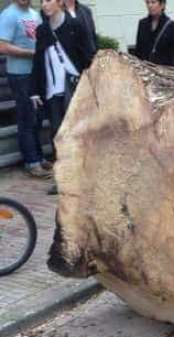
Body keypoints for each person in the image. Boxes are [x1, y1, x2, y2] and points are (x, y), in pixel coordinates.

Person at [30, 0, 94, 194]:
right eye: (42, 2)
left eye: (48, 0)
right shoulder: (42, 30)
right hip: (52, 89)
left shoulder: (75, 25)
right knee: (57, 134)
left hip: (74, 87)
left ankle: (86, 177)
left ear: (59, 3)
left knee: (79, 132)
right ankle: (63, 180)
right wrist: (34, 90)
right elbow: (39, 59)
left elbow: (88, 55)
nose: (44, 5)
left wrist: (91, 84)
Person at [0, 0, 50, 178]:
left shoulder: (34, 14)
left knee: (36, 118)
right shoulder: (8, 15)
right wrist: (32, 53)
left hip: (35, 74)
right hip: (20, 75)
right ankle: (31, 162)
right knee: (26, 118)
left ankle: (39, 157)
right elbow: (2, 46)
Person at [134, 0, 174, 68]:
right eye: (147, 2)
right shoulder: (142, 24)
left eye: (153, 2)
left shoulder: (172, 26)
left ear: (162, 5)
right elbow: (138, 52)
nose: (150, 5)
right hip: (146, 73)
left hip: (165, 74)